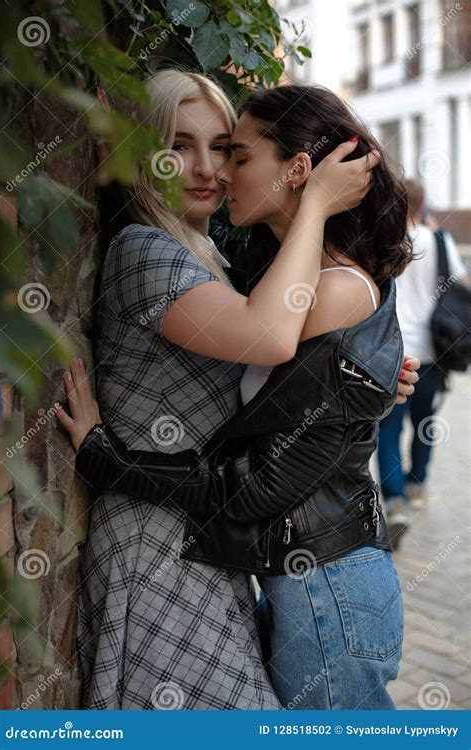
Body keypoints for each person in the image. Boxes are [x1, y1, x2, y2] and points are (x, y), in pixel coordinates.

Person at [56, 78, 420, 709]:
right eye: (179, 145)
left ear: (296, 169)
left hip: (280, 563)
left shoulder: (220, 260)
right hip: (179, 543)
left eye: (228, 149)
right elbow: (270, 340)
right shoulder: (151, 250)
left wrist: (363, 388)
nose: (211, 170)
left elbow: (279, 423)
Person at [377, 178, 468, 546]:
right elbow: (463, 282)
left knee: (388, 429)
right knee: (425, 421)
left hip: (393, 353)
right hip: (433, 352)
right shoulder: (440, 242)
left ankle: (394, 500)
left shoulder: (384, 241)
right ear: (423, 203)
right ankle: (418, 484)